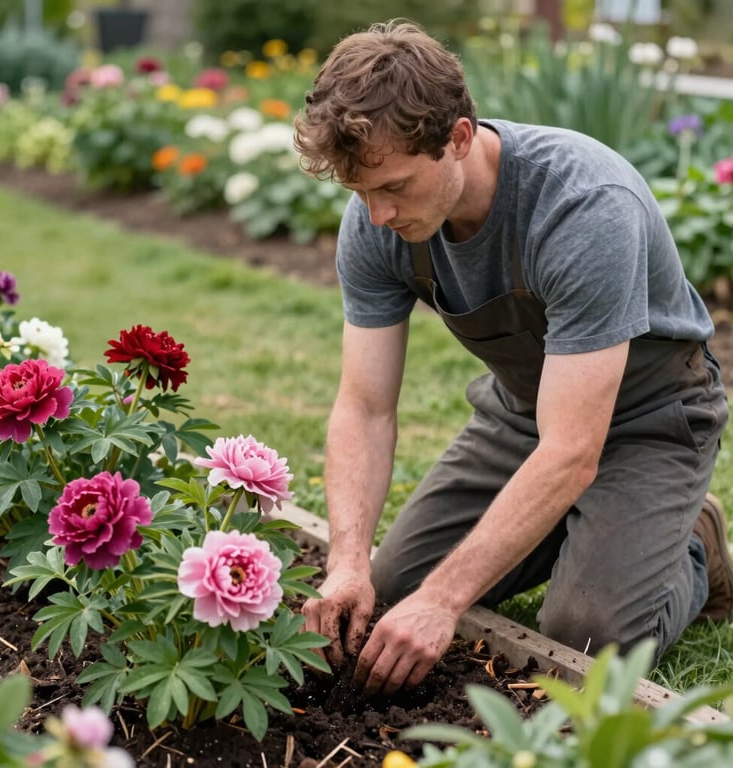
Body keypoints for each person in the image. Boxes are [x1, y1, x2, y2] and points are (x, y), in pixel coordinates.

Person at [293, 19, 733, 697]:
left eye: (397, 189)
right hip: (525, 416)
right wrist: (348, 560)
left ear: (459, 140)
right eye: (361, 194)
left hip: (651, 421)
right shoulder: (377, 222)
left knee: (585, 636)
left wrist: (446, 602)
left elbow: (573, 450)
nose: (378, 216)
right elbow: (365, 405)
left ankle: (694, 543)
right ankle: (578, 531)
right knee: (393, 588)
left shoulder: (583, 207)